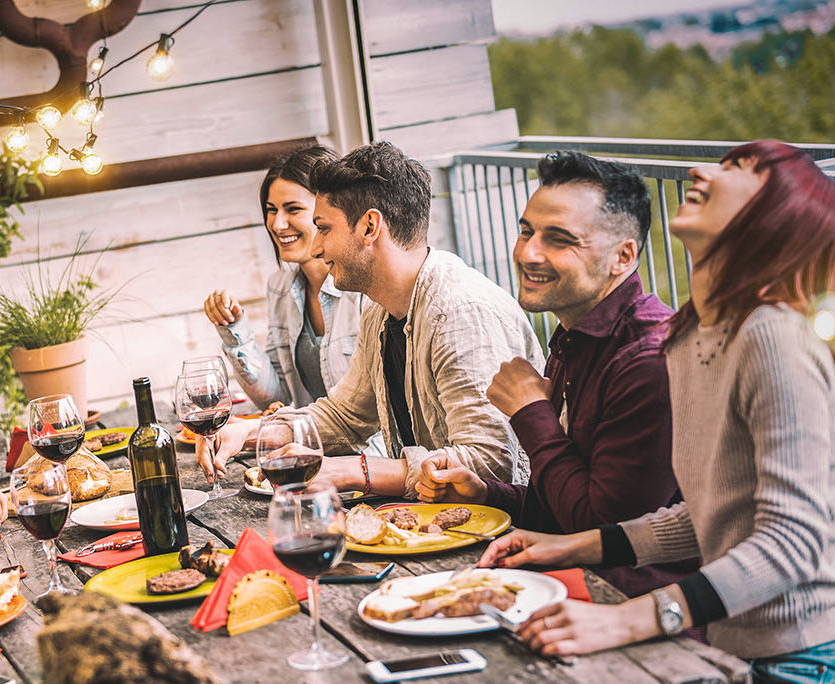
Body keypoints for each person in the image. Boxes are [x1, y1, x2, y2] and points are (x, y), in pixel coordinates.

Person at [429, 141, 835, 684]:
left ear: (779, 216)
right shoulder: (694, 336)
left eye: (740, 170)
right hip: (725, 655)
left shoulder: (774, 334)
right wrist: (577, 543)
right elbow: (713, 513)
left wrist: (627, 618)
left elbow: (790, 544)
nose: (699, 170)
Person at [416, 151, 695, 599]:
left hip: (644, 608)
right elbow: (565, 505)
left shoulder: (647, 360)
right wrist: (486, 495)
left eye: (559, 239)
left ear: (622, 257)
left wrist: (531, 413)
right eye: (526, 230)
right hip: (585, 584)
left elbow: (599, 530)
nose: (528, 253)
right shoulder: (576, 337)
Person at [197, 141, 544, 498]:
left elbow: (491, 464)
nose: (316, 248)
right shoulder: (380, 311)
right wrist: (249, 433)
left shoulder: (461, 313)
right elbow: (344, 416)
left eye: (325, 229)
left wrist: (352, 471)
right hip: (435, 520)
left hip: (507, 532)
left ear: (369, 227)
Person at [203, 144, 365, 410]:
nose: (277, 224)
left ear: (328, 211)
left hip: (368, 451)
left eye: (293, 209)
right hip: (307, 445)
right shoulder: (279, 287)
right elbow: (276, 398)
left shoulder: (363, 291)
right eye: (271, 210)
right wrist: (234, 329)